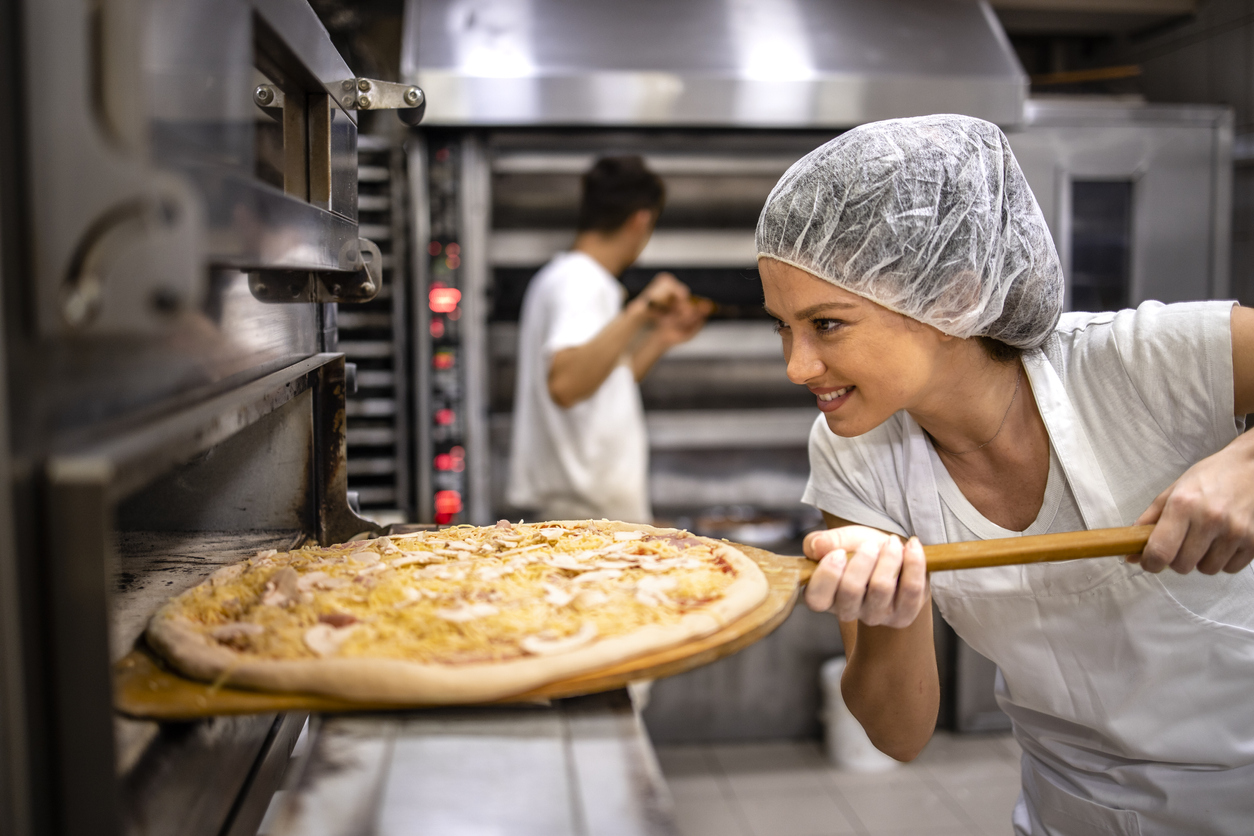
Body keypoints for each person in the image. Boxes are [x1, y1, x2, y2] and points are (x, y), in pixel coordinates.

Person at [756, 115, 1254, 835]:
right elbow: (898, 736)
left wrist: (1247, 462)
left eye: (827, 325)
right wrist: (890, 611)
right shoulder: (853, 450)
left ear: (952, 296)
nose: (797, 366)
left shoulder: (1147, 362)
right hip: (1068, 812)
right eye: (782, 326)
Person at [508, 155, 711, 523]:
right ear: (642, 219)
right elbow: (567, 384)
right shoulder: (580, 282)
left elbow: (602, 382)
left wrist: (661, 338)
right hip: (587, 518)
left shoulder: (564, 276)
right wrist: (641, 309)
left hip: (589, 510)